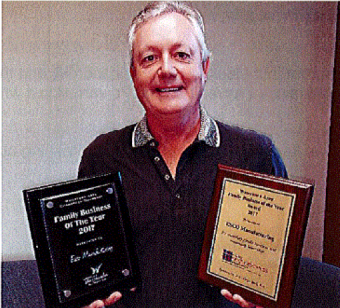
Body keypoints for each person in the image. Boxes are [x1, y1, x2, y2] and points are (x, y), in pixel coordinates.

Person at [79, 1, 287, 307]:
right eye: (150, 58)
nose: (167, 69)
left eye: (181, 55)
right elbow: (86, 269)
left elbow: (275, 276)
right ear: (134, 74)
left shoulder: (256, 155)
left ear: (204, 67)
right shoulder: (101, 156)